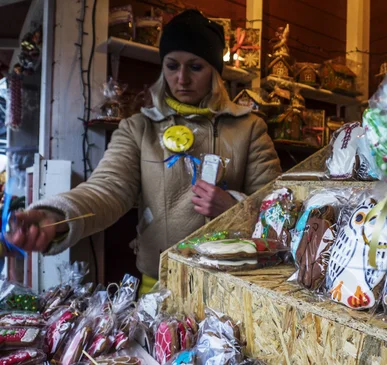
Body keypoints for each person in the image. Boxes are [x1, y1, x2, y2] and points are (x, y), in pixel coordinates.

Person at [7, 10, 282, 292]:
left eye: (195, 67)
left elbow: (278, 209)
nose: (182, 78)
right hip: (161, 284)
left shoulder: (249, 128)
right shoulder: (138, 128)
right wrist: (57, 216)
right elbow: (107, 189)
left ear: (214, 70)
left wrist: (235, 207)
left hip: (233, 285)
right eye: (172, 66)